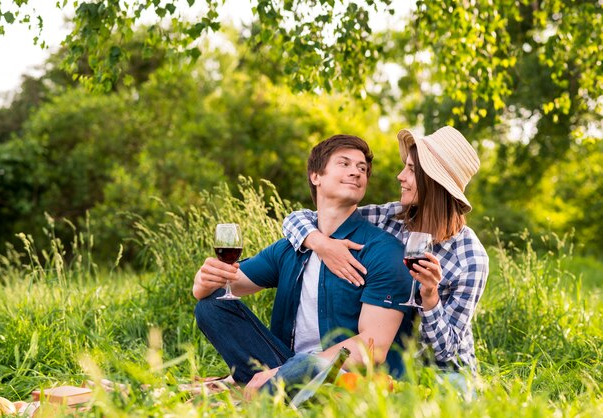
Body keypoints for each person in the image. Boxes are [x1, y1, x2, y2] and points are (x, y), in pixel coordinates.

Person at [193, 134, 413, 398]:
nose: (356, 172)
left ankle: (266, 388)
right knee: (211, 306)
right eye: (344, 164)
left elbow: (372, 347)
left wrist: (284, 372)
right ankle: (275, 389)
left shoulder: (383, 250)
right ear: (316, 176)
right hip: (284, 363)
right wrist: (203, 281)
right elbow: (229, 284)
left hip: (343, 378)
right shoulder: (289, 248)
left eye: (362, 168)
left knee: (306, 365)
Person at [282, 126, 489, 375]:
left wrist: (431, 298)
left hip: (443, 374)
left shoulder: (469, 257)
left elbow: (446, 351)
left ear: (433, 182)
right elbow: (302, 218)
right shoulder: (389, 219)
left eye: (411, 170)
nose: (400, 176)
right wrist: (320, 243)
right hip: (387, 368)